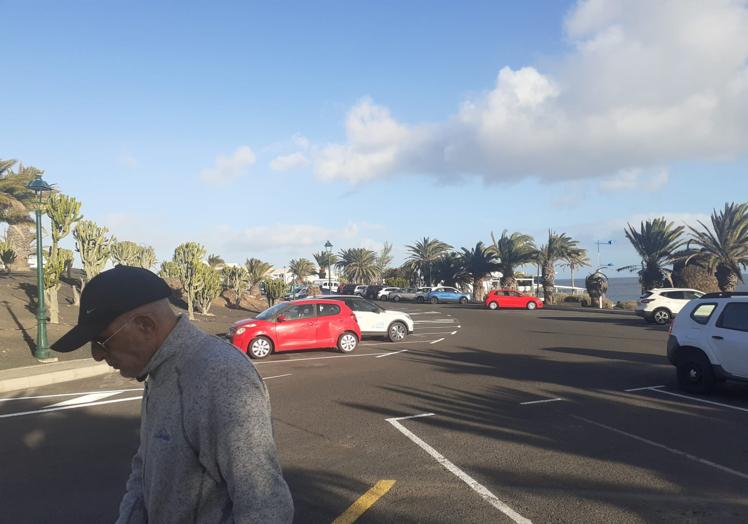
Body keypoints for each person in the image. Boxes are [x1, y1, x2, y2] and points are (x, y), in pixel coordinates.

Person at [51, 265, 294, 523]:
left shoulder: (221, 375)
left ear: (145, 325)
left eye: (102, 340)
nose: (97, 355)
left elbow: (266, 506)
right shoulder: (157, 369)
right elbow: (144, 467)